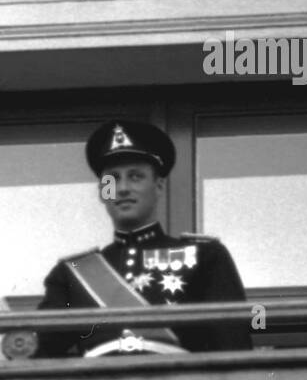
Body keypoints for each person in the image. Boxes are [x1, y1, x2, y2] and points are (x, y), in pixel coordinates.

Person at [35, 120, 251, 356]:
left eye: (136, 177)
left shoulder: (206, 256)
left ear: (158, 186)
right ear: (102, 192)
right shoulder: (72, 271)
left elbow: (233, 343)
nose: (123, 188)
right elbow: (41, 350)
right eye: (112, 179)